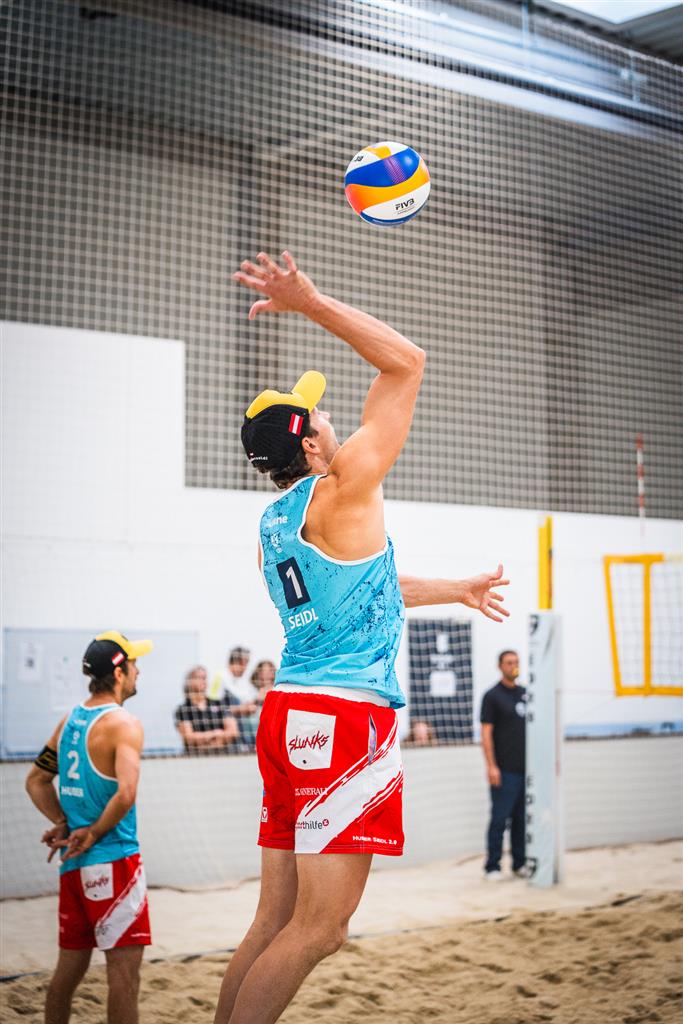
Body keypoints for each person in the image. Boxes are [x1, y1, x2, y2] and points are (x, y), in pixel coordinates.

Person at [213, 249, 511, 1024]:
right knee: (320, 930)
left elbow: (363, 591)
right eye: (319, 416)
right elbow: (406, 362)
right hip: (344, 717)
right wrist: (309, 301)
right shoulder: (346, 485)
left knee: (272, 923)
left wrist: (454, 589)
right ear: (311, 446)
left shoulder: (273, 525)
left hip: (288, 713)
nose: (332, 418)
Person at [24, 630, 153, 1024]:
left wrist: (63, 823)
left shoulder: (69, 722)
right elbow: (126, 794)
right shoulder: (124, 724)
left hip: (73, 865)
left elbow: (36, 781)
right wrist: (94, 832)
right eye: (134, 664)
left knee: (66, 976)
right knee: (124, 978)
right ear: (119, 673)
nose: (139, 671)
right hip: (114, 860)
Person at [480, 649, 528, 881]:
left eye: (516, 662)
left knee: (521, 820)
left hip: (525, 771)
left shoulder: (526, 694)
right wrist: (492, 766)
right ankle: (492, 867)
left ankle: (519, 864)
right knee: (500, 819)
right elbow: (486, 733)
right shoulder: (492, 696)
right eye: (509, 662)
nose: (513, 666)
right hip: (503, 771)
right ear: (500, 666)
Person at [175, 665, 239, 754]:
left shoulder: (219, 704)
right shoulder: (183, 709)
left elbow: (233, 732)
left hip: (223, 755)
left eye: (204, 678)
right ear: (189, 682)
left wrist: (205, 740)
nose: (203, 681)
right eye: (199, 678)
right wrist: (215, 734)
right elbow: (189, 738)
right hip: (195, 757)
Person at [238, 660, 277, 749]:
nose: (269, 674)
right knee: (252, 717)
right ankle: (252, 745)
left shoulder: (277, 687)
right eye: (265, 671)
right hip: (255, 716)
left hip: (272, 716)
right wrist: (257, 699)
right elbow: (246, 704)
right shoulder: (251, 688)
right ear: (259, 673)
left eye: (271, 671)